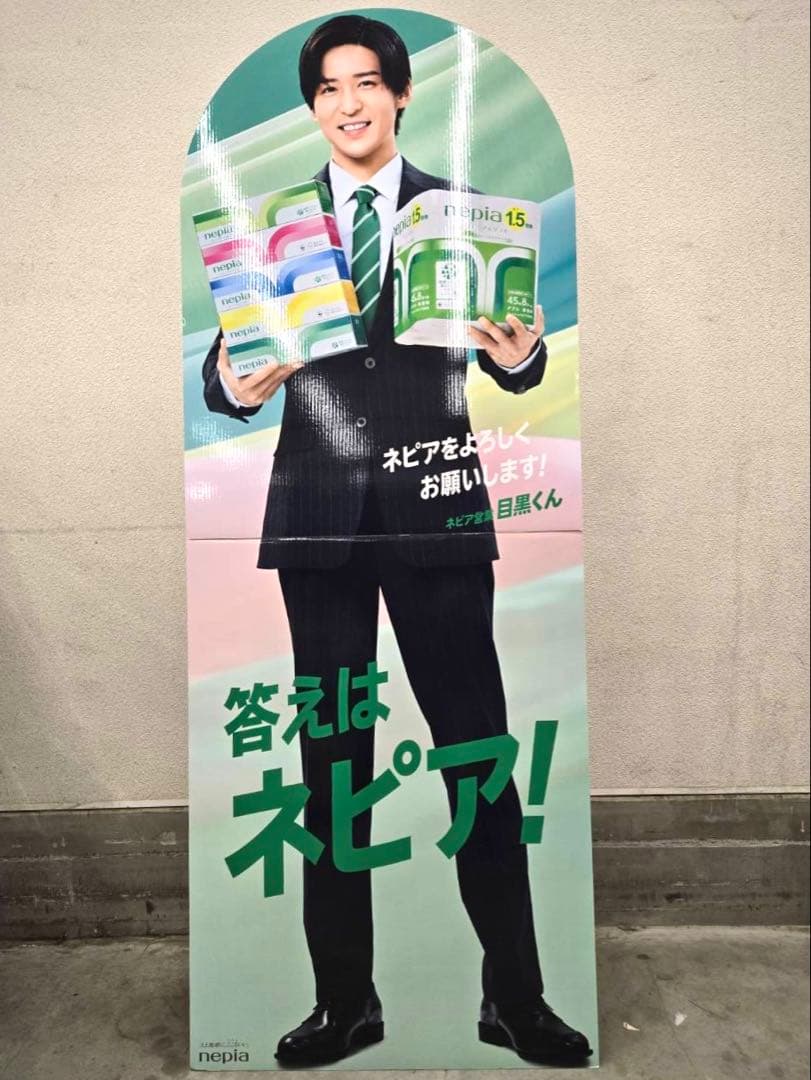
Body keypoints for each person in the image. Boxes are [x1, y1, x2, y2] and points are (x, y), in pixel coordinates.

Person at [202, 14, 591, 1068]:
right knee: (331, 769)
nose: (348, 103)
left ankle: (515, 999)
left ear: (402, 93)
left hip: (436, 511)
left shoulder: (466, 216)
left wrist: (522, 351)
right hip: (320, 519)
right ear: (313, 107)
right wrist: (233, 381)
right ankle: (345, 1004)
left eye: (366, 82)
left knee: (477, 757)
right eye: (328, 89)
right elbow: (228, 368)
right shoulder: (270, 230)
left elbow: (514, 357)